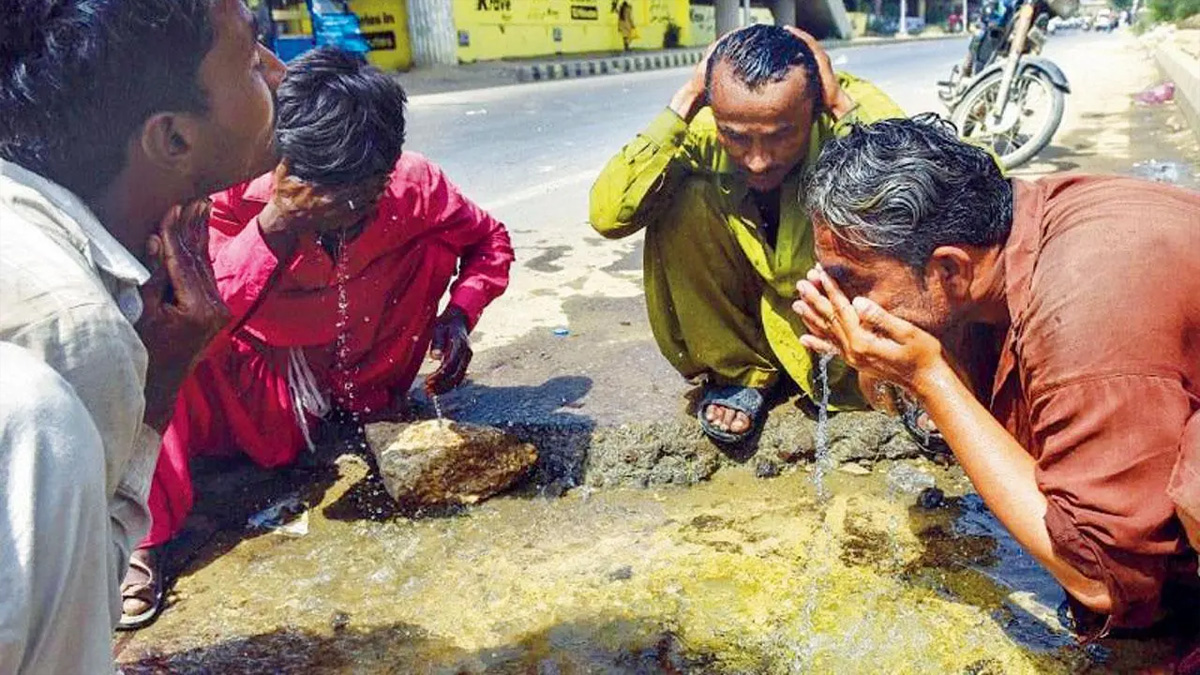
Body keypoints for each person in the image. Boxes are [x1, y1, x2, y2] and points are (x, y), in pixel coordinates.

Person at [118, 47, 515, 628]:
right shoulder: (223, 190)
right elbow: (199, 315)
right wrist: (277, 224)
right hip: (253, 383)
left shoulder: (413, 185)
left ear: (387, 169)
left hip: (362, 369)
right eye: (329, 198)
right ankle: (142, 539)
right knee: (154, 339)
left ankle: (367, 406)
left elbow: (490, 241)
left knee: (432, 245)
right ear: (286, 165)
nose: (348, 215)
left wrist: (460, 313)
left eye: (365, 197)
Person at [794, 116, 1200, 645]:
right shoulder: (1017, 232)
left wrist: (928, 379)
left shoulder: (1081, 318)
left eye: (851, 282)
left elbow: (1104, 579)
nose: (832, 299)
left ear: (948, 271)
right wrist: (883, 366)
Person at [0, 0, 288, 671]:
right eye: (250, 61)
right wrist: (157, 393)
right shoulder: (73, 331)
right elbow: (70, 627)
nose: (277, 72)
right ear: (173, 140)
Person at [589, 24, 903, 443]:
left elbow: (938, 196)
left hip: (849, 351)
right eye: (735, 136)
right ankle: (742, 372)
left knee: (902, 205)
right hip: (759, 330)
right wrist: (686, 99)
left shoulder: (846, 107)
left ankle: (896, 376)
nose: (757, 161)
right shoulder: (704, 127)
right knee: (682, 195)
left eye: (781, 136)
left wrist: (841, 105)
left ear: (813, 108)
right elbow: (609, 215)